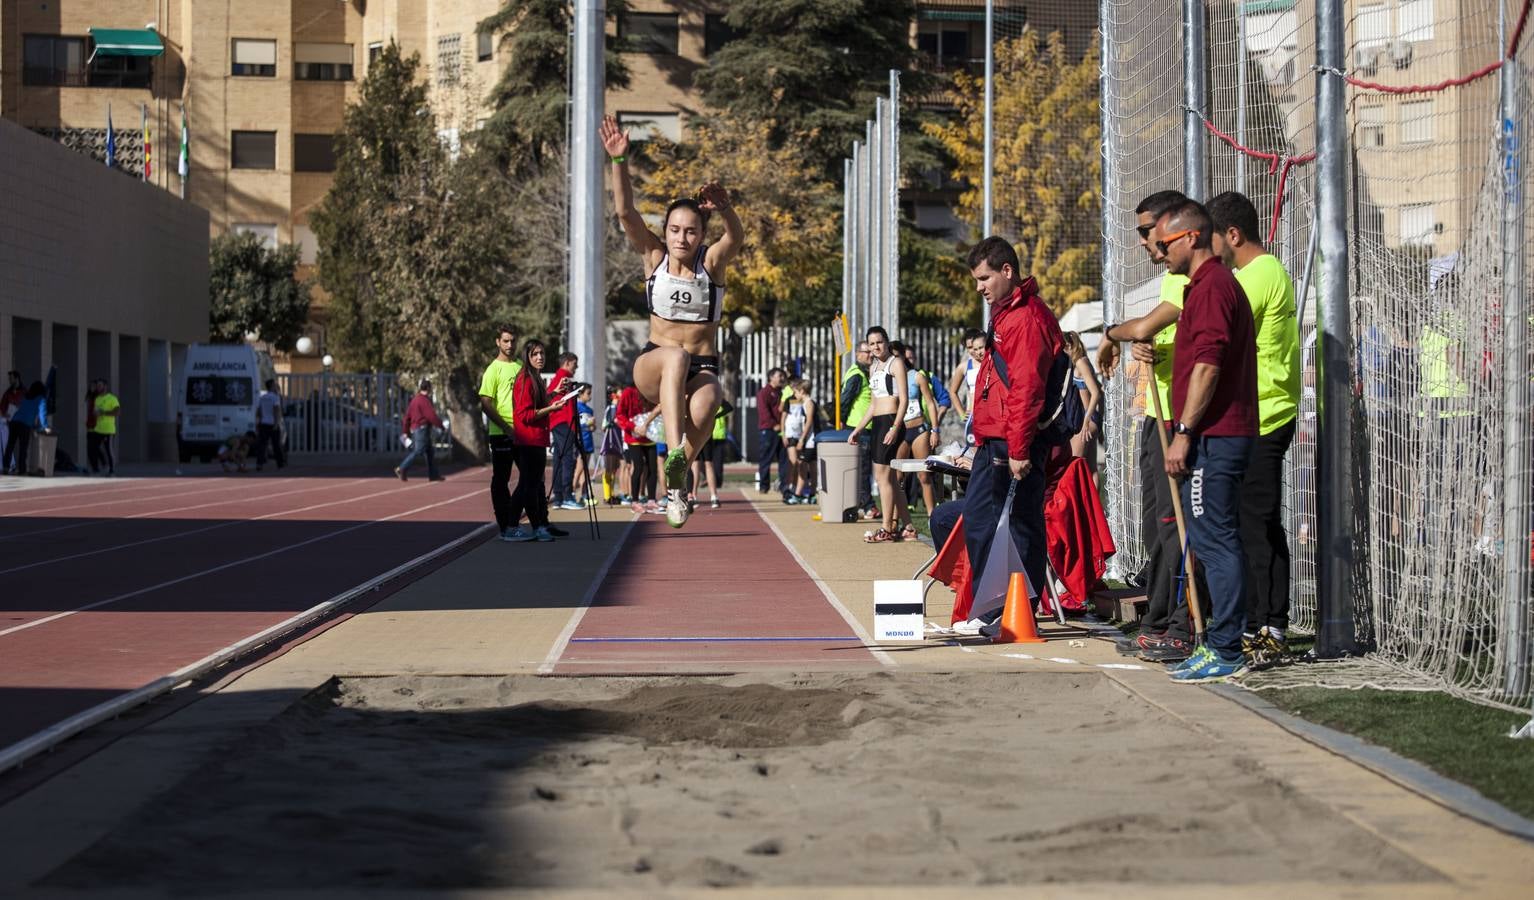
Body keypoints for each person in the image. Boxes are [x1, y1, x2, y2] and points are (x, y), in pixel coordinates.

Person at [601, 114, 744, 528]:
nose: (682, 238)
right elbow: (626, 212)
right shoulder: (654, 257)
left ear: (701, 234)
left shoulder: (711, 264)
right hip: (654, 365)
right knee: (676, 357)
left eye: (691, 231)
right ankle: (675, 451)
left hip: (702, 368)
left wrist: (727, 208)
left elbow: (735, 239)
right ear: (665, 231)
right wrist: (619, 161)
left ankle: (678, 488)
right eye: (675, 230)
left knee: (712, 397)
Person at [1151, 198, 1259, 683]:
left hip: (1216, 435)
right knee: (1211, 538)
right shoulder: (1200, 288)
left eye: (1163, 241)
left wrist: (1184, 433)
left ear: (1190, 237)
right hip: (1211, 434)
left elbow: (1209, 365)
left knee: (1215, 540)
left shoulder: (1214, 287)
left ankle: (1227, 646)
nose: (1158, 250)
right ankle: (1219, 640)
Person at [1100, 189, 1202, 663]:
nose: (1143, 241)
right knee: (1158, 524)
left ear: (1172, 228)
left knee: (1179, 525)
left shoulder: (1190, 279)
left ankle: (1183, 624)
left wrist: (1115, 334)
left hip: (1182, 417)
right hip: (1157, 413)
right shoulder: (1171, 280)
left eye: (1147, 231)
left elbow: (1145, 326)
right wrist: (1149, 346)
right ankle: (1160, 616)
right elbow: (1159, 333)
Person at [1208, 191, 1301, 664]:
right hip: (1263, 411)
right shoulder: (1263, 272)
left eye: (1211, 240)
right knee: (1259, 522)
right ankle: (1267, 624)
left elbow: (1217, 326)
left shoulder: (1258, 274)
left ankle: (1264, 628)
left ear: (1232, 235)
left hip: (1265, 413)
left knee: (1253, 524)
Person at [957, 237, 1067, 636]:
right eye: (975, 280)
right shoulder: (1006, 314)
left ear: (1007, 271)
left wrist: (1019, 449)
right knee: (990, 522)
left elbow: (1027, 389)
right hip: (996, 438)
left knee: (1009, 524)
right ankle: (999, 610)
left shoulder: (1025, 318)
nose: (980, 287)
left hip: (1012, 441)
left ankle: (1005, 611)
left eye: (984, 278)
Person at [502, 340, 573, 542]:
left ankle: (538, 524)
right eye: (535, 354)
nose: (540, 357)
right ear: (527, 357)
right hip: (528, 441)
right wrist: (551, 408)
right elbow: (524, 415)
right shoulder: (524, 379)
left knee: (532, 485)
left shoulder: (536, 379)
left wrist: (554, 393)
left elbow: (538, 404)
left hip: (538, 440)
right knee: (528, 486)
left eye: (542, 353)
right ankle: (522, 526)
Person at [847, 326, 914, 543]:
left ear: (886, 342)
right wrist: (858, 429)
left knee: (882, 477)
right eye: (871, 343)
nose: (876, 347)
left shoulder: (896, 363)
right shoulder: (873, 366)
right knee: (891, 479)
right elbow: (874, 404)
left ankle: (887, 527)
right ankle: (909, 527)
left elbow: (903, 399)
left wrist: (895, 427)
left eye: (879, 342)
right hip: (878, 422)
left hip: (891, 421)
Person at [479, 324, 524, 541]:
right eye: (505, 340)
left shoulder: (520, 366)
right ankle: (505, 527)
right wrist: (506, 428)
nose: (509, 344)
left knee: (530, 477)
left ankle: (523, 521)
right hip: (502, 433)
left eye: (512, 340)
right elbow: (486, 403)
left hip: (523, 432)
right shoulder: (493, 370)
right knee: (502, 479)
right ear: (498, 342)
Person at [896, 342, 942, 515]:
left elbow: (930, 403)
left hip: (918, 429)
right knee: (898, 476)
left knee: (924, 475)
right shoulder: (890, 377)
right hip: (900, 430)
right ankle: (896, 518)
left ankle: (932, 516)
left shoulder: (916, 376)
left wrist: (935, 430)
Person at [838, 342, 877, 519]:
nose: (870, 355)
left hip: (866, 427)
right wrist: (841, 422)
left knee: (864, 468)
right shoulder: (856, 374)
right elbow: (845, 401)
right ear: (857, 354)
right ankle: (868, 505)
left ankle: (862, 504)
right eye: (866, 352)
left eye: (871, 352)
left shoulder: (865, 372)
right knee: (863, 469)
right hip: (858, 428)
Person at [615, 382, 659, 514]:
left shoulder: (652, 389)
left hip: (650, 435)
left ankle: (651, 500)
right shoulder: (629, 392)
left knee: (653, 468)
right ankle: (635, 501)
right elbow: (620, 415)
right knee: (638, 467)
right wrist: (633, 427)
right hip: (633, 437)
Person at [548, 352, 583, 511]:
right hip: (563, 423)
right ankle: (567, 496)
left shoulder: (560, 377)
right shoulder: (563, 377)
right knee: (567, 459)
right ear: (568, 363)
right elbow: (553, 397)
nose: (577, 367)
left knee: (559, 459)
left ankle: (559, 497)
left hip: (559, 422)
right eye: (575, 364)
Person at [1062, 332, 1103, 468]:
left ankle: (1075, 490)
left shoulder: (1080, 363)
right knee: (1091, 469)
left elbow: (1096, 393)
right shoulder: (1083, 361)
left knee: (1072, 465)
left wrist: (1086, 420)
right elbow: (1100, 388)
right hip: (1093, 419)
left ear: (1068, 346)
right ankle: (1092, 491)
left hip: (1088, 420)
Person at [395, 378, 445, 482]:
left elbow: (407, 417)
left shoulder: (415, 400)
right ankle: (402, 468)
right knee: (418, 451)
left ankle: (433, 475)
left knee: (430, 452)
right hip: (422, 429)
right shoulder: (424, 400)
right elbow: (431, 416)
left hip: (417, 429)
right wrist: (441, 426)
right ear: (428, 388)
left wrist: (405, 431)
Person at [782, 378, 819, 504]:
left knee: (804, 466)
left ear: (802, 391)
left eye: (796, 392)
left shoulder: (808, 403)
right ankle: (811, 493)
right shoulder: (805, 403)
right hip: (809, 440)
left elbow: (809, 422)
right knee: (810, 466)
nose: (795, 395)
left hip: (810, 440)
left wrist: (802, 439)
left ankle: (799, 494)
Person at [947, 329, 987, 436]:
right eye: (969, 348)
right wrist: (961, 413)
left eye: (975, 346)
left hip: (992, 415)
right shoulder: (964, 367)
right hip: (974, 417)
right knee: (974, 451)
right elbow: (952, 392)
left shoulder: (992, 362)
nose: (974, 351)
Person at [756, 367, 789, 495]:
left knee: (784, 460)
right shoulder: (764, 393)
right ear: (771, 377)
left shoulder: (782, 392)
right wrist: (774, 425)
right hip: (768, 431)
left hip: (782, 431)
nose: (781, 378)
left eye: (782, 376)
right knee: (766, 459)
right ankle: (764, 486)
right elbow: (764, 412)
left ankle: (783, 485)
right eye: (779, 376)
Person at [5, 381, 48, 475]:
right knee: (23, 448)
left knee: (10, 445)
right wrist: (45, 426)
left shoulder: (26, 397)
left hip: (14, 422)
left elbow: (21, 409)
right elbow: (42, 413)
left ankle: (5, 467)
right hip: (25, 425)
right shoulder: (40, 399)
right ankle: (22, 469)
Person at [692, 405, 729, 509]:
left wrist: (715, 416)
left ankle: (697, 497)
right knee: (706, 464)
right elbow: (728, 407)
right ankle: (713, 497)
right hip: (706, 433)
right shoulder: (711, 397)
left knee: (699, 464)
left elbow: (728, 407)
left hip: (699, 433)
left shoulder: (694, 397)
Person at [600, 387, 627, 505]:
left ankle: (611, 494)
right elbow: (605, 425)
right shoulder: (610, 408)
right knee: (608, 469)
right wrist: (614, 408)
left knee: (614, 469)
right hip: (610, 442)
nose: (622, 395)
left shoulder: (619, 408)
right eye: (620, 392)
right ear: (614, 395)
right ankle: (607, 496)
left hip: (618, 442)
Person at [88, 378, 121, 476]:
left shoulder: (112, 398)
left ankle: (111, 470)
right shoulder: (97, 399)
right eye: (97, 386)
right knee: (92, 448)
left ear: (105, 387)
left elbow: (117, 412)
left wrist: (104, 412)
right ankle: (99, 467)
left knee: (108, 450)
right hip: (98, 429)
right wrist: (95, 414)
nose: (98, 387)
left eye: (100, 385)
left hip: (108, 430)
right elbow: (95, 412)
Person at [572, 386, 597, 505]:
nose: (590, 396)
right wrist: (587, 423)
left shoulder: (590, 409)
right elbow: (576, 424)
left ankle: (583, 495)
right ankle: (571, 493)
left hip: (588, 441)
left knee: (585, 470)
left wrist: (593, 425)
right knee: (579, 469)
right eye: (588, 393)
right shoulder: (576, 407)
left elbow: (592, 428)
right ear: (580, 394)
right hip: (580, 441)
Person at [254, 379, 285, 472]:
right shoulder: (275, 397)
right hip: (272, 424)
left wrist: (258, 422)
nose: (276, 386)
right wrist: (276, 423)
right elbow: (277, 410)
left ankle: (259, 464)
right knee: (276, 445)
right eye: (275, 384)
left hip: (263, 423)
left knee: (262, 445)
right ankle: (280, 464)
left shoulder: (262, 397)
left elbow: (258, 411)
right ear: (271, 386)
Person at [0, 370, 22, 469]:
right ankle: (9, 465)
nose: (10, 381)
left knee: (22, 446)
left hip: (21, 422)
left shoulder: (24, 392)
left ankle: (18, 466)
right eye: (9, 379)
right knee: (8, 444)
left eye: (11, 379)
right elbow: (2, 408)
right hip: (9, 423)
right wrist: (5, 415)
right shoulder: (7, 393)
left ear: (17, 379)